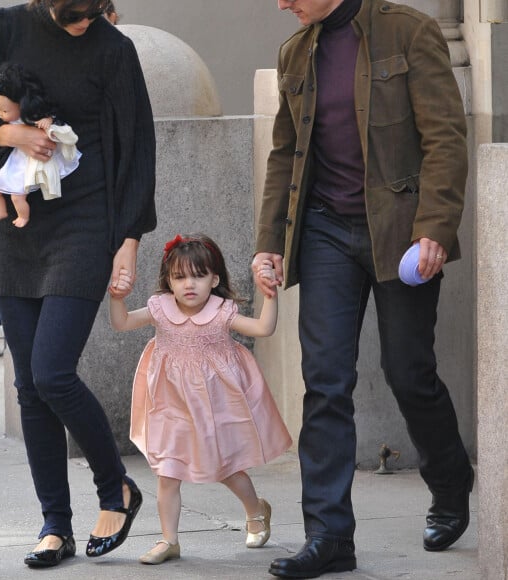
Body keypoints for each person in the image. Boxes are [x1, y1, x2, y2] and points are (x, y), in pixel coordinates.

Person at [252, 1, 473, 578]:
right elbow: (284, 153)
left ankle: (451, 485)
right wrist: (269, 239)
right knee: (324, 382)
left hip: (399, 233)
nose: (281, 4)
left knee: (408, 372)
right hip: (324, 231)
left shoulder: (410, 31)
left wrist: (435, 228)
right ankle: (329, 536)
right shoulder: (295, 51)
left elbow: (446, 137)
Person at [0, 0, 156, 569]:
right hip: (17, 231)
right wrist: (11, 132)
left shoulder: (115, 50)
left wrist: (130, 239)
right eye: (76, 15)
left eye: (95, 12)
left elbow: (138, 145)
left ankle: (116, 489)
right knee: (30, 389)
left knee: (52, 373)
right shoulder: (6, 26)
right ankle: (54, 526)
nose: (86, 24)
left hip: (86, 224)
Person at [109, 234, 292, 565]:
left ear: (215, 279)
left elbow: (264, 328)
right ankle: (169, 540)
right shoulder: (160, 309)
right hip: (169, 405)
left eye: (198, 275)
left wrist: (270, 295)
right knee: (167, 471)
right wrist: (117, 297)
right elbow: (120, 323)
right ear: (168, 281)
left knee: (226, 468)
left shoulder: (221, 313)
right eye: (179, 277)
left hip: (214, 405)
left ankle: (256, 509)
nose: (188, 284)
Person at [0, 62, 82, 227]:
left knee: (17, 196)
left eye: (4, 110)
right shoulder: (5, 117)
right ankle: (0, 211)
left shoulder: (28, 118)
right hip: (11, 160)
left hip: (24, 162)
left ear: (22, 106)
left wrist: (47, 120)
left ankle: (23, 217)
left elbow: (54, 122)